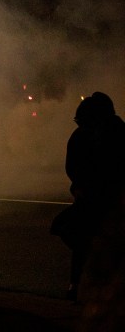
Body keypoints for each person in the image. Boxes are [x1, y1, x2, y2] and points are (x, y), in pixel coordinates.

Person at [55, 92, 125, 303]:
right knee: (81, 238)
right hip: (94, 198)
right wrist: (79, 187)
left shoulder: (114, 134)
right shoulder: (85, 135)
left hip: (108, 199)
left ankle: (79, 285)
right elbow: (74, 168)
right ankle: (78, 284)